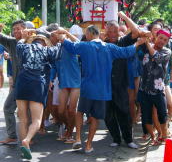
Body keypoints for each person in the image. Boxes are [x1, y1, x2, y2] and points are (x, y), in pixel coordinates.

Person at [53, 24, 146, 153]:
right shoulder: (109, 47)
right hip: (103, 90)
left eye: (86, 34)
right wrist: (138, 43)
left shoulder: (85, 46)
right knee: (96, 118)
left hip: (87, 88)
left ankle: (78, 138)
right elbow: (126, 52)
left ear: (90, 34)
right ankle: (89, 145)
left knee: (80, 112)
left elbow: (71, 46)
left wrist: (62, 37)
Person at [104, 12, 150, 148]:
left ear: (119, 31)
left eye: (115, 31)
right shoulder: (101, 44)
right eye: (110, 31)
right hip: (105, 84)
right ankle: (116, 139)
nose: (112, 33)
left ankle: (128, 139)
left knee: (124, 111)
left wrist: (124, 17)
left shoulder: (123, 42)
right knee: (108, 114)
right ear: (106, 31)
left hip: (121, 83)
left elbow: (136, 31)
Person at [16, 31, 62, 160]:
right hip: (37, 84)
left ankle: (24, 147)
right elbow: (57, 52)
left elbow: (18, 44)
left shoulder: (24, 47)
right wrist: (60, 38)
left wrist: (24, 37)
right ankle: (27, 140)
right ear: (44, 42)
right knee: (36, 120)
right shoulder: (47, 51)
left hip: (22, 83)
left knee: (23, 119)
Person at [50, 25, 81, 143]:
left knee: (71, 110)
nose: (54, 36)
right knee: (60, 111)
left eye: (56, 34)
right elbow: (53, 66)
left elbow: (78, 44)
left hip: (75, 83)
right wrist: (51, 79)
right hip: (63, 82)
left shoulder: (69, 44)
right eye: (53, 35)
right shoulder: (56, 48)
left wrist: (66, 35)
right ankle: (69, 127)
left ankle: (70, 134)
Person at [139, 29, 171, 145]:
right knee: (146, 117)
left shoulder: (167, 52)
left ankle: (163, 135)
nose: (162, 41)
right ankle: (153, 137)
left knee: (162, 115)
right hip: (144, 89)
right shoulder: (146, 47)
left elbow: (157, 57)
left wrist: (147, 43)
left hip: (158, 90)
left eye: (165, 40)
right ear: (156, 36)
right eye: (161, 38)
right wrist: (144, 35)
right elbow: (137, 39)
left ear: (167, 42)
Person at [0, 20, 26, 145]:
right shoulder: (11, 43)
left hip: (33, 83)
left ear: (24, 29)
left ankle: (28, 137)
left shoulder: (34, 41)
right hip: (18, 85)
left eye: (18, 28)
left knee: (29, 112)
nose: (15, 31)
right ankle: (13, 136)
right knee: (8, 108)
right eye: (14, 29)